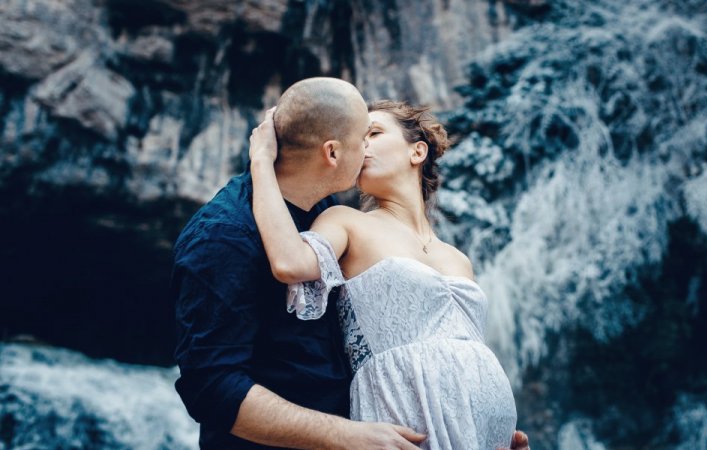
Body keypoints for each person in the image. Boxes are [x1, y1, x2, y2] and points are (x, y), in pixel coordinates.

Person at [172, 77, 530, 450]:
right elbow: (212, 387)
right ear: (332, 153)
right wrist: (345, 435)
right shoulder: (225, 234)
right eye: (365, 136)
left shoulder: (324, 211)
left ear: (417, 152)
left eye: (374, 134)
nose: (366, 147)